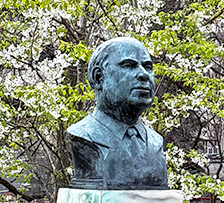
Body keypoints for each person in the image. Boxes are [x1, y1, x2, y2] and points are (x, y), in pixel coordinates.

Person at [67, 37, 168, 189]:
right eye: (128, 65)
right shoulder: (82, 136)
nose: (144, 74)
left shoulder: (156, 143)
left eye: (148, 67)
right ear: (98, 77)